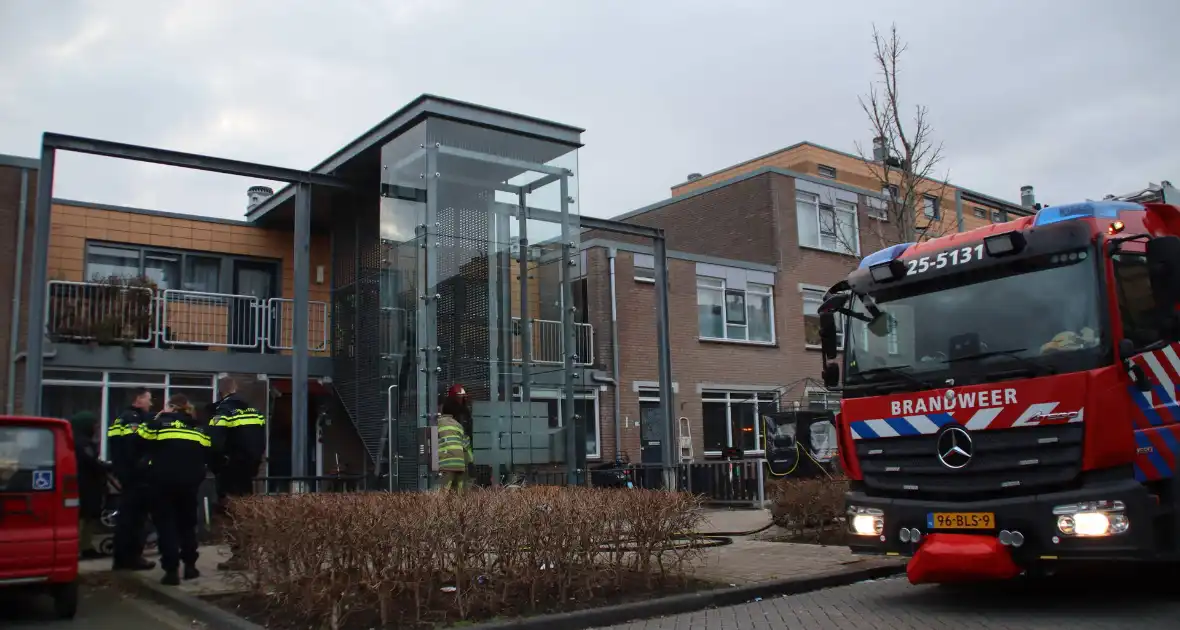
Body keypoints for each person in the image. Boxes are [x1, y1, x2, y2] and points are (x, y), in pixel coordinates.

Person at [138, 394, 211, 585]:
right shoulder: (197, 428)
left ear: (170, 407)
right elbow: (208, 452)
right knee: (187, 526)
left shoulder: (158, 425)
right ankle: (190, 567)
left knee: (166, 526)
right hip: (189, 485)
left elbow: (140, 437)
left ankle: (171, 571)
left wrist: (158, 417)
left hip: (162, 484)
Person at [206, 376, 266, 570]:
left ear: (221, 392)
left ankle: (239, 555)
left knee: (231, 513)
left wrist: (217, 465)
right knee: (245, 511)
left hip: (229, 471)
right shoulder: (255, 412)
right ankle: (248, 553)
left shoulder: (223, 412)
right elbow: (261, 442)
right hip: (248, 470)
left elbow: (213, 443)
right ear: (236, 389)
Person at [107, 387, 156, 571]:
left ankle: (121, 559)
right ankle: (133, 558)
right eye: (148, 399)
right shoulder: (134, 420)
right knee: (135, 520)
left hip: (126, 477)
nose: (150, 403)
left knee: (125, 519)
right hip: (136, 479)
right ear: (138, 399)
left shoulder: (120, 418)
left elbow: (117, 449)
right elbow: (135, 449)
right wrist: (146, 466)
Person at [69, 411, 109, 560]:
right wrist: (105, 467)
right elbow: (90, 461)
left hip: (88, 485)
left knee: (88, 517)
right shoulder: (81, 443)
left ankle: (86, 546)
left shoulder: (78, 441)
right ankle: (81, 547)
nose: (97, 428)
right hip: (85, 486)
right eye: (95, 426)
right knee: (83, 517)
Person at [437, 385, 473, 492]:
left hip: (446, 462)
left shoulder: (438, 424)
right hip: (460, 463)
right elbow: (466, 443)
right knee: (458, 493)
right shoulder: (459, 424)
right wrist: (470, 461)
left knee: (443, 493)